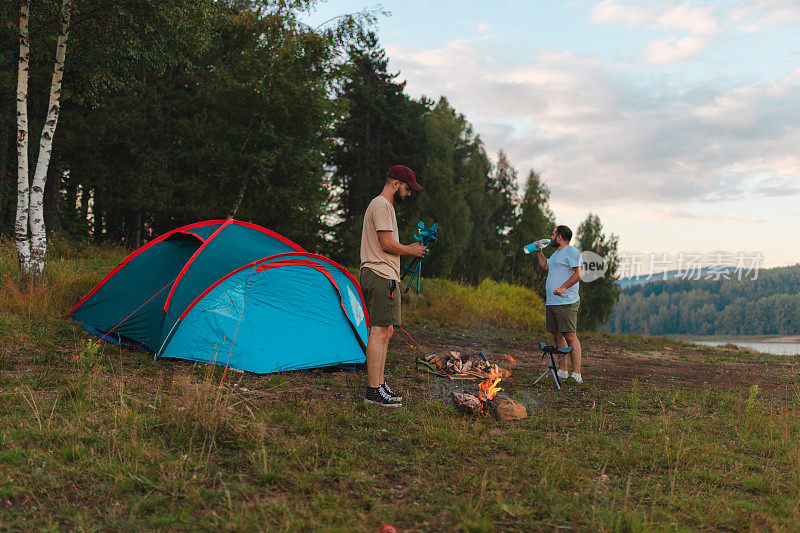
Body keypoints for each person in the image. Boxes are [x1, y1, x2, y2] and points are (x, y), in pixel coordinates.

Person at [360, 165, 427, 406]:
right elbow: (387, 244)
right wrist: (411, 249)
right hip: (379, 274)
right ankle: (372, 391)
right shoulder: (382, 205)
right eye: (408, 188)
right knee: (379, 332)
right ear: (395, 183)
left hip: (382, 274)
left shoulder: (382, 206)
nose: (409, 194)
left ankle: (379, 383)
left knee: (386, 331)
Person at [535, 225, 584, 383]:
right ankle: (562, 370)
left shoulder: (572, 252)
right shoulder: (556, 254)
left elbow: (579, 273)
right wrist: (539, 251)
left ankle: (576, 373)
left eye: (553, 234)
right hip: (552, 302)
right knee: (557, 335)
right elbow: (545, 266)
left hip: (566, 301)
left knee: (569, 335)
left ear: (559, 237)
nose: (551, 237)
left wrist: (563, 287)